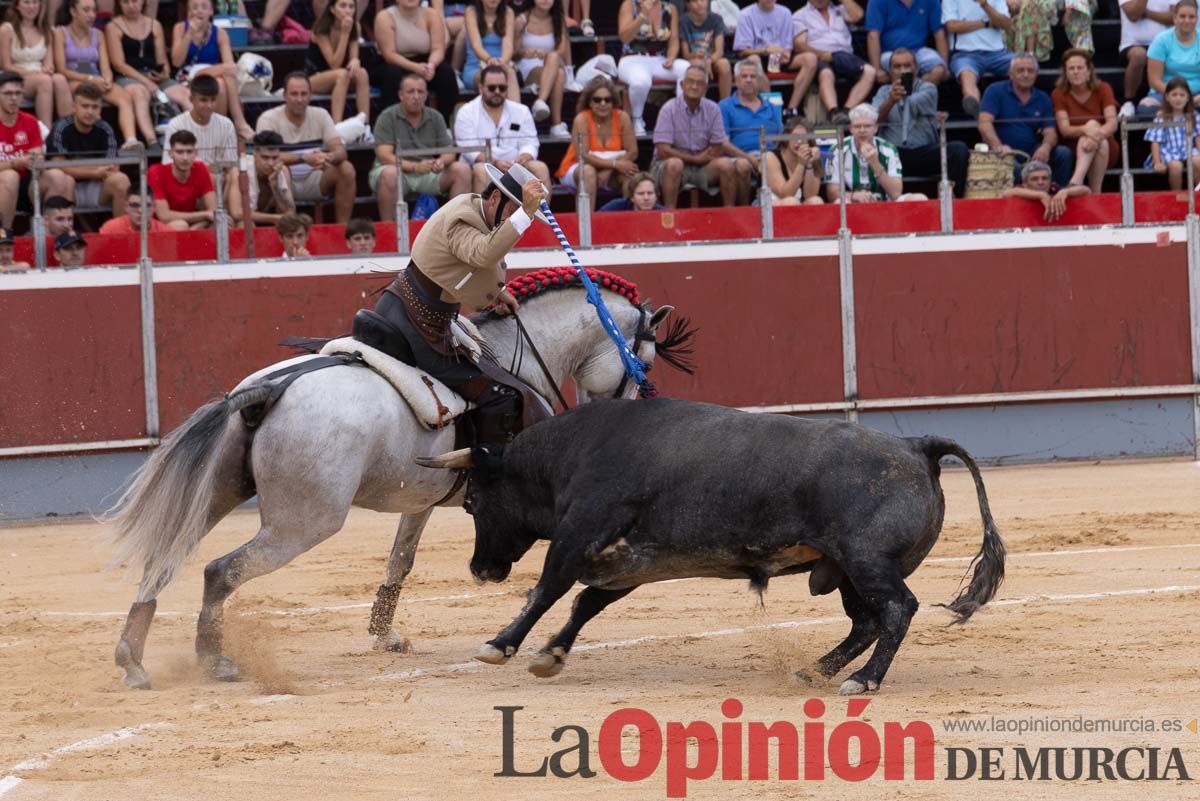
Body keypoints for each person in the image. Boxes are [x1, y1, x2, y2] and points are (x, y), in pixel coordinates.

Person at [371, 166, 547, 446]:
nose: (516, 222)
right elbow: (482, 254)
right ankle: (486, 474)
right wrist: (525, 213)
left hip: (424, 316)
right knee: (498, 396)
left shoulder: (475, 212)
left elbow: (461, 266)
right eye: (513, 211)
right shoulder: (463, 216)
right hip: (418, 325)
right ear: (494, 200)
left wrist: (496, 293)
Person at [256, 72, 357, 223]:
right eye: (294, 94)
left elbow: (340, 150)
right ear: (284, 96)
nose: (299, 99)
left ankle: (342, 230)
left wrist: (330, 156)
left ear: (311, 96)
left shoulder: (321, 114)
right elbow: (263, 158)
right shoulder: (268, 118)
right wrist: (303, 158)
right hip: (281, 178)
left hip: (315, 177)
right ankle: (286, 230)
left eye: (304, 94)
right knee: (278, 169)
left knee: (346, 168)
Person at [372, 73, 472, 220]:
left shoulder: (435, 116)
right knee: (390, 174)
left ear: (426, 96)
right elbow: (384, 156)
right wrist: (414, 167)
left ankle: (455, 229)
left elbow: (449, 151)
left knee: (462, 170)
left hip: (427, 172)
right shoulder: (387, 116)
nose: (416, 96)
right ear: (400, 95)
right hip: (398, 171)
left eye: (420, 92)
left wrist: (441, 162)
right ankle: (391, 232)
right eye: (411, 91)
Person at [872, 47, 969, 196]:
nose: (902, 70)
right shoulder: (883, 92)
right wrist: (890, 100)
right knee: (870, 152)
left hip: (924, 152)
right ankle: (875, 201)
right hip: (894, 155)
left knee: (958, 149)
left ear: (916, 69)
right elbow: (873, 120)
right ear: (890, 70)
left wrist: (897, 95)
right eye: (897, 66)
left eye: (907, 66)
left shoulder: (928, 88)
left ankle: (955, 199)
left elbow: (911, 103)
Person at [53, 0, 139, 147]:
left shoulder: (98, 34)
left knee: (124, 97)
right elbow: (61, 69)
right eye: (86, 10)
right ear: (73, 12)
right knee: (83, 91)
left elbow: (105, 67)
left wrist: (107, 79)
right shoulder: (60, 33)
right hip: (74, 78)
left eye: (94, 10)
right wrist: (90, 79)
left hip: (96, 78)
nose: (92, 15)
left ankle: (131, 141)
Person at [978, 52, 1072, 186]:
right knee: (1013, 168)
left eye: (1030, 71)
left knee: (1064, 154)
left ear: (1036, 74)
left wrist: (1045, 147)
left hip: (1032, 152)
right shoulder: (995, 91)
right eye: (1020, 70)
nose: (1026, 74)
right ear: (1010, 73)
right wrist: (997, 146)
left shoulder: (1042, 98)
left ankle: (1059, 195)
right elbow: (984, 123)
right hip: (1001, 152)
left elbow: (1050, 132)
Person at [454, 64, 550, 192]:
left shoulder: (522, 111)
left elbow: (530, 143)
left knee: (541, 168)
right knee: (481, 170)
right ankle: (484, 212)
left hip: (516, 165)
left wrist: (525, 156)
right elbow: (470, 149)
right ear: (481, 88)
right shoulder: (466, 112)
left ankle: (539, 212)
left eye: (502, 88)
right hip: (483, 164)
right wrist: (495, 162)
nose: (497, 91)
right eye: (492, 88)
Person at [652, 64, 738, 207]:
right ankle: (668, 216)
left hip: (703, 165)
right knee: (675, 164)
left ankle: (731, 215)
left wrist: (699, 160)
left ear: (705, 88)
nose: (694, 86)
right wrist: (695, 159)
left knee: (726, 164)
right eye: (690, 82)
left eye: (699, 83)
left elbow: (717, 147)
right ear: (682, 84)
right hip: (671, 164)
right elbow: (663, 151)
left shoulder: (713, 109)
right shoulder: (668, 109)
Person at [169, 0, 255, 142]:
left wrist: (219, 69)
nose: (199, 11)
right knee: (225, 73)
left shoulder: (220, 33)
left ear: (211, 11)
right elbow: (176, 61)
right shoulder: (180, 28)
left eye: (204, 7)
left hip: (214, 76)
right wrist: (189, 34)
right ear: (189, 11)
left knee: (221, 84)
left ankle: (217, 133)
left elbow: (229, 65)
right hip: (188, 76)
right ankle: (240, 123)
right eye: (195, 7)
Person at [46, 81, 131, 215]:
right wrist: (95, 172)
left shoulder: (105, 129)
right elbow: (58, 165)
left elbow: (113, 167)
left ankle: (119, 233)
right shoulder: (61, 127)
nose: (90, 112)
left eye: (95, 107)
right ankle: (65, 234)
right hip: (67, 185)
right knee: (62, 178)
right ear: (74, 107)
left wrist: (81, 169)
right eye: (85, 106)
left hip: (96, 187)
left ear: (100, 109)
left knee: (121, 180)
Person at [555, 75, 638, 210]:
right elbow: (583, 156)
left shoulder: (623, 117)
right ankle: (587, 225)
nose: (603, 104)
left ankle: (629, 222)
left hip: (612, 168)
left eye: (608, 100)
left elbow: (632, 152)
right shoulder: (581, 119)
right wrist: (614, 164)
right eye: (597, 100)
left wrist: (610, 169)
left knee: (630, 174)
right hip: (578, 166)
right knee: (588, 172)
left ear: (613, 101)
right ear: (590, 102)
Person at [0, 72, 69, 228]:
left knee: (56, 176)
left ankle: (45, 234)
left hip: (26, 183)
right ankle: (4, 238)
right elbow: (13, 167)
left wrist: (36, 160)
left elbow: (37, 156)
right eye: (8, 93)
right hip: (3, 181)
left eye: (18, 93)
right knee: (10, 177)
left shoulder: (30, 121)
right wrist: (14, 163)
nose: (13, 98)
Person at [371, 0, 457, 126]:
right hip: (393, 62)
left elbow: (438, 48)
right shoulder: (384, 17)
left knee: (446, 74)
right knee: (393, 76)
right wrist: (415, 68)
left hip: (424, 60)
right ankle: (392, 126)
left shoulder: (432, 15)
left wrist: (431, 65)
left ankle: (446, 125)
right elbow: (389, 54)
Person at [106, 0, 191, 123]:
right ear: (119, 4)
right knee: (141, 93)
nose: (131, 6)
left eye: (134, 1)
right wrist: (146, 81)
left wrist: (165, 74)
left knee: (185, 94)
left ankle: (201, 133)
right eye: (125, 2)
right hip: (128, 76)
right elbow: (119, 65)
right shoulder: (113, 27)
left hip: (153, 75)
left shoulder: (155, 25)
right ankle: (151, 140)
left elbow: (162, 59)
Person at [616, 0, 690, 136]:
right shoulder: (630, 4)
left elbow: (674, 40)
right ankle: (637, 119)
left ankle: (681, 117)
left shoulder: (669, 8)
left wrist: (672, 56)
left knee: (687, 69)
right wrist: (642, 15)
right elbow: (625, 38)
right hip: (632, 58)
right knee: (641, 82)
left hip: (658, 59)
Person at [733, 0, 818, 116]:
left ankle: (791, 109)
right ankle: (769, 109)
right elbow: (742, 51)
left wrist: (786, 54)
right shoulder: (746, 14)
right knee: (753, 60)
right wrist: (765, 50)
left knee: (810, 58)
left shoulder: (785, 12)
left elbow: (788, 45)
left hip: (781, 57)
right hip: (759, 55)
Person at [793, 0, 875, 119]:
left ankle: (846, 112)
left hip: (844, 56)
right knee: (826, 73)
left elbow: (858, 15)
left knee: (870, 72)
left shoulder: (840, 10)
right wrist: (822, 54)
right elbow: (800, 45)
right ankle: (834, 112)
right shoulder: (800, 15)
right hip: (819, 57)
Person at [828, 102, 924, 202]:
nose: (862, 130)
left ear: (876, 128)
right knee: (840, 201)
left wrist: (874, 162)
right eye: (857, 126)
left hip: (886, 203)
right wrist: (854, 195)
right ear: (850, 129)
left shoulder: (889, 149)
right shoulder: (837, 150)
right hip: (852, 203)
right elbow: (831, 193)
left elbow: (895, 193)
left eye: (867, 126)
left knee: (919, 198)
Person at [1052, 48, 1116, 193]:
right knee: (1092, 132)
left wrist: (1094, 136)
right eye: (1071, 68)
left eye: (1080, 68)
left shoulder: (1103, 88)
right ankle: (1096, 193)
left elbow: (1112, 124)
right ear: (1066, 73)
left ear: (1088, 72)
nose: (1075, 71)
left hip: (1104, 146)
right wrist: (1086, 130)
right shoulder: (1059, 93)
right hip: (1075, 148)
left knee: (1097, 136)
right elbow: (1065, 129)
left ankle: (1076, 181)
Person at [0, 0, 71, 129]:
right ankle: (45, 133)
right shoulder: (7, 29)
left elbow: (49, 64)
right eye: (26, 2)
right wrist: (33, 73)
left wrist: (48, 69)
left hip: (40, 74)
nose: (31, 7)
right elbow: (5, 65)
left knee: (60, 79)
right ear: (17, 6)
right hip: (16, 76)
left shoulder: (46, 30)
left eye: (35, 3)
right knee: (44, 81)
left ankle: (67, 132)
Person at [942, 0, 1013, 117]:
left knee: (1024, 65)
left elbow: (1006, 24)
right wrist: (985, 23)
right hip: (965, 53)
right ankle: (975, 107)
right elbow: (952, 26)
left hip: (998, 54)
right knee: (967, 75)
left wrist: (985, 5)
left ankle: (1018, 107)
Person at [304, 0, 371, 124]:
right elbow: (334, 65)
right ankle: (337, 126)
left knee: (362, 73)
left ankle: (364, 126)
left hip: (342, 76)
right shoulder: (320, 28)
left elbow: (353, 59)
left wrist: (355, 61)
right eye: (343, 6)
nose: (348, 10)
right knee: (341, 74)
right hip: (316, 77)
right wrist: (344, 34)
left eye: (351, 7)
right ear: (332, 9)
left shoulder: (355, 25)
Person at [515, 0, 570, 135]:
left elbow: (562, 50)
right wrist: (526, 52)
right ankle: (556, 124)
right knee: (559, 74)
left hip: (553, 63)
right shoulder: (522, 20)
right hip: (528, 66)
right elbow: (513, 51)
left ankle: (540, 101)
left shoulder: (558, 20)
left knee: (555, 61)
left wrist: (545, 55)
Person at [719, 58, 781, 173]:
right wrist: (750, 159)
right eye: (744, 76)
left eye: (753, 76)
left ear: (759, 81)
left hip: (769, 157)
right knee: (743, 165)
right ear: (736, 80)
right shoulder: (724, 106)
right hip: (740, 158)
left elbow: (781, 139)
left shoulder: (771, 107)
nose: (749, 80)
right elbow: (724, 143)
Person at [865, 0, 949, 85]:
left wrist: (945, 66)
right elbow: (873, 35)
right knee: (903, 70)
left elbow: (939, 33)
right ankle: (911, 95)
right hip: (891, 53)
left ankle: (914, 95)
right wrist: (877, 68)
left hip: (919, 51)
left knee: (939, 70)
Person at [148, 129, 217, 228]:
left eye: (189, 152)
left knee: (222, 224)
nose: (185, 157)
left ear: (196, 153)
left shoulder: (200, 168)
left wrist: (194, 228)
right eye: (180, 152)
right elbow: (164, 216)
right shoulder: (156, 171)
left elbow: (213, 211)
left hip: (191, 223)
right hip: (158, 227)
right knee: (181, 225)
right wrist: (205, 215)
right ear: (170, 153)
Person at [1143, 0, 1200, 113]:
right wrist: (1177, 97)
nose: (1187, 20)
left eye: (1191, 17)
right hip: (1166, 93)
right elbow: (1154, 81)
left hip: (1197, 95)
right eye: (1182, 16)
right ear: (1175, 18)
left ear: (1197, 19)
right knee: (1145, 110)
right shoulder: (1161, 40)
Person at [1143, 76, 1200, 190]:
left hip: (1188, 149)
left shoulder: (1193, 116)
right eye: (1174, 95)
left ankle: (1197, 191)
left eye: (1182, 95)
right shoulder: (1162, 118)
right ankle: (1176, 194)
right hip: (1169, 151)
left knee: (1197, 161)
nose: (1178, 98)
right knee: (1175, 166)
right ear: (1167, 97)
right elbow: (1155, 142)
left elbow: (1198, 137)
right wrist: (1157, 162)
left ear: (1188, 97)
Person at [1118, 0, 1173, 116]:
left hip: (1161, 44)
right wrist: (1146, 13)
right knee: (1139, 56)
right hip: (1132, 44)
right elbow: (1134, 15)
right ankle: (1128, 102)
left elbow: (1173, 17)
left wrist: (1147, 13)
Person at [462, 0, 519, 101]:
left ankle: (518, 115)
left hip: (502, 64)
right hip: (476, 66)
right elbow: (476, 45)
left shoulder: (508, 12)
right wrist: (489, 60)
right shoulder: (471, 12)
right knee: (490, 77)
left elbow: (508, 45)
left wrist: (502, 61)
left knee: (509, 73)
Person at [763, 115, 824, 204]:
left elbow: (810, 195)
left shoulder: (811, 155)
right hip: (771, 207)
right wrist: (801, 164)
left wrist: (810, 163)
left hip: (797, 205)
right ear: (786, 138)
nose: (799, 141)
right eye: (795, 136)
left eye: (803, 137)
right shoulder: (770, 157)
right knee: (790, 201)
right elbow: (784, 194)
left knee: (816, 201)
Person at [240, 130, 296, 226]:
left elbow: (290, 211)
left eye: (275, 158)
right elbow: (237, 213)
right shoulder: (241, 169)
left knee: (288, 225)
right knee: (246, 224)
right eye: (265, 158)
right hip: (239, 222)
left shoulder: (282, 171)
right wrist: (273, 218)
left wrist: (275, 186)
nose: (270, 163)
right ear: (255, 154)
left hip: (264, 218)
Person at [1002, 158, 1088, 221]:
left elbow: (1086, 190)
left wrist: (1066, 191)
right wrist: (1041, 195)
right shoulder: (1021, 190)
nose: (1040, 182)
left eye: (1044, 178)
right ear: (1025, 184)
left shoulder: (1054, 189)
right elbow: (1007, 193)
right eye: (1034, 179)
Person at [679, 0, 731, 100]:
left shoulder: (716, 19)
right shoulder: (684, 21)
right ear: (688, 4)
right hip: (694, 60)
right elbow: (685, 54)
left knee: (724, 64)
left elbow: (719, 51)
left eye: (703, 0)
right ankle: (700, 106)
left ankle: (725, 106)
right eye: (695, 1)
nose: (700, 4)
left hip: (712, 59)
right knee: (699, 64)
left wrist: (709, 60)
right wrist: (694, 55)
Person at [100, 184, 186, 233]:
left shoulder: (166, 232)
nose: (140, 211)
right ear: (126, 207)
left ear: (154, 207)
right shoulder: (110, 229)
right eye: (134, 205)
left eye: (147, 205)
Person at [598, 170, 666, 210]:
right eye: (641, 194)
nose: (646, 198)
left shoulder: (664, 213)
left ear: (656, 196)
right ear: (632, 197)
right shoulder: (615, 207)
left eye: (650, 193)